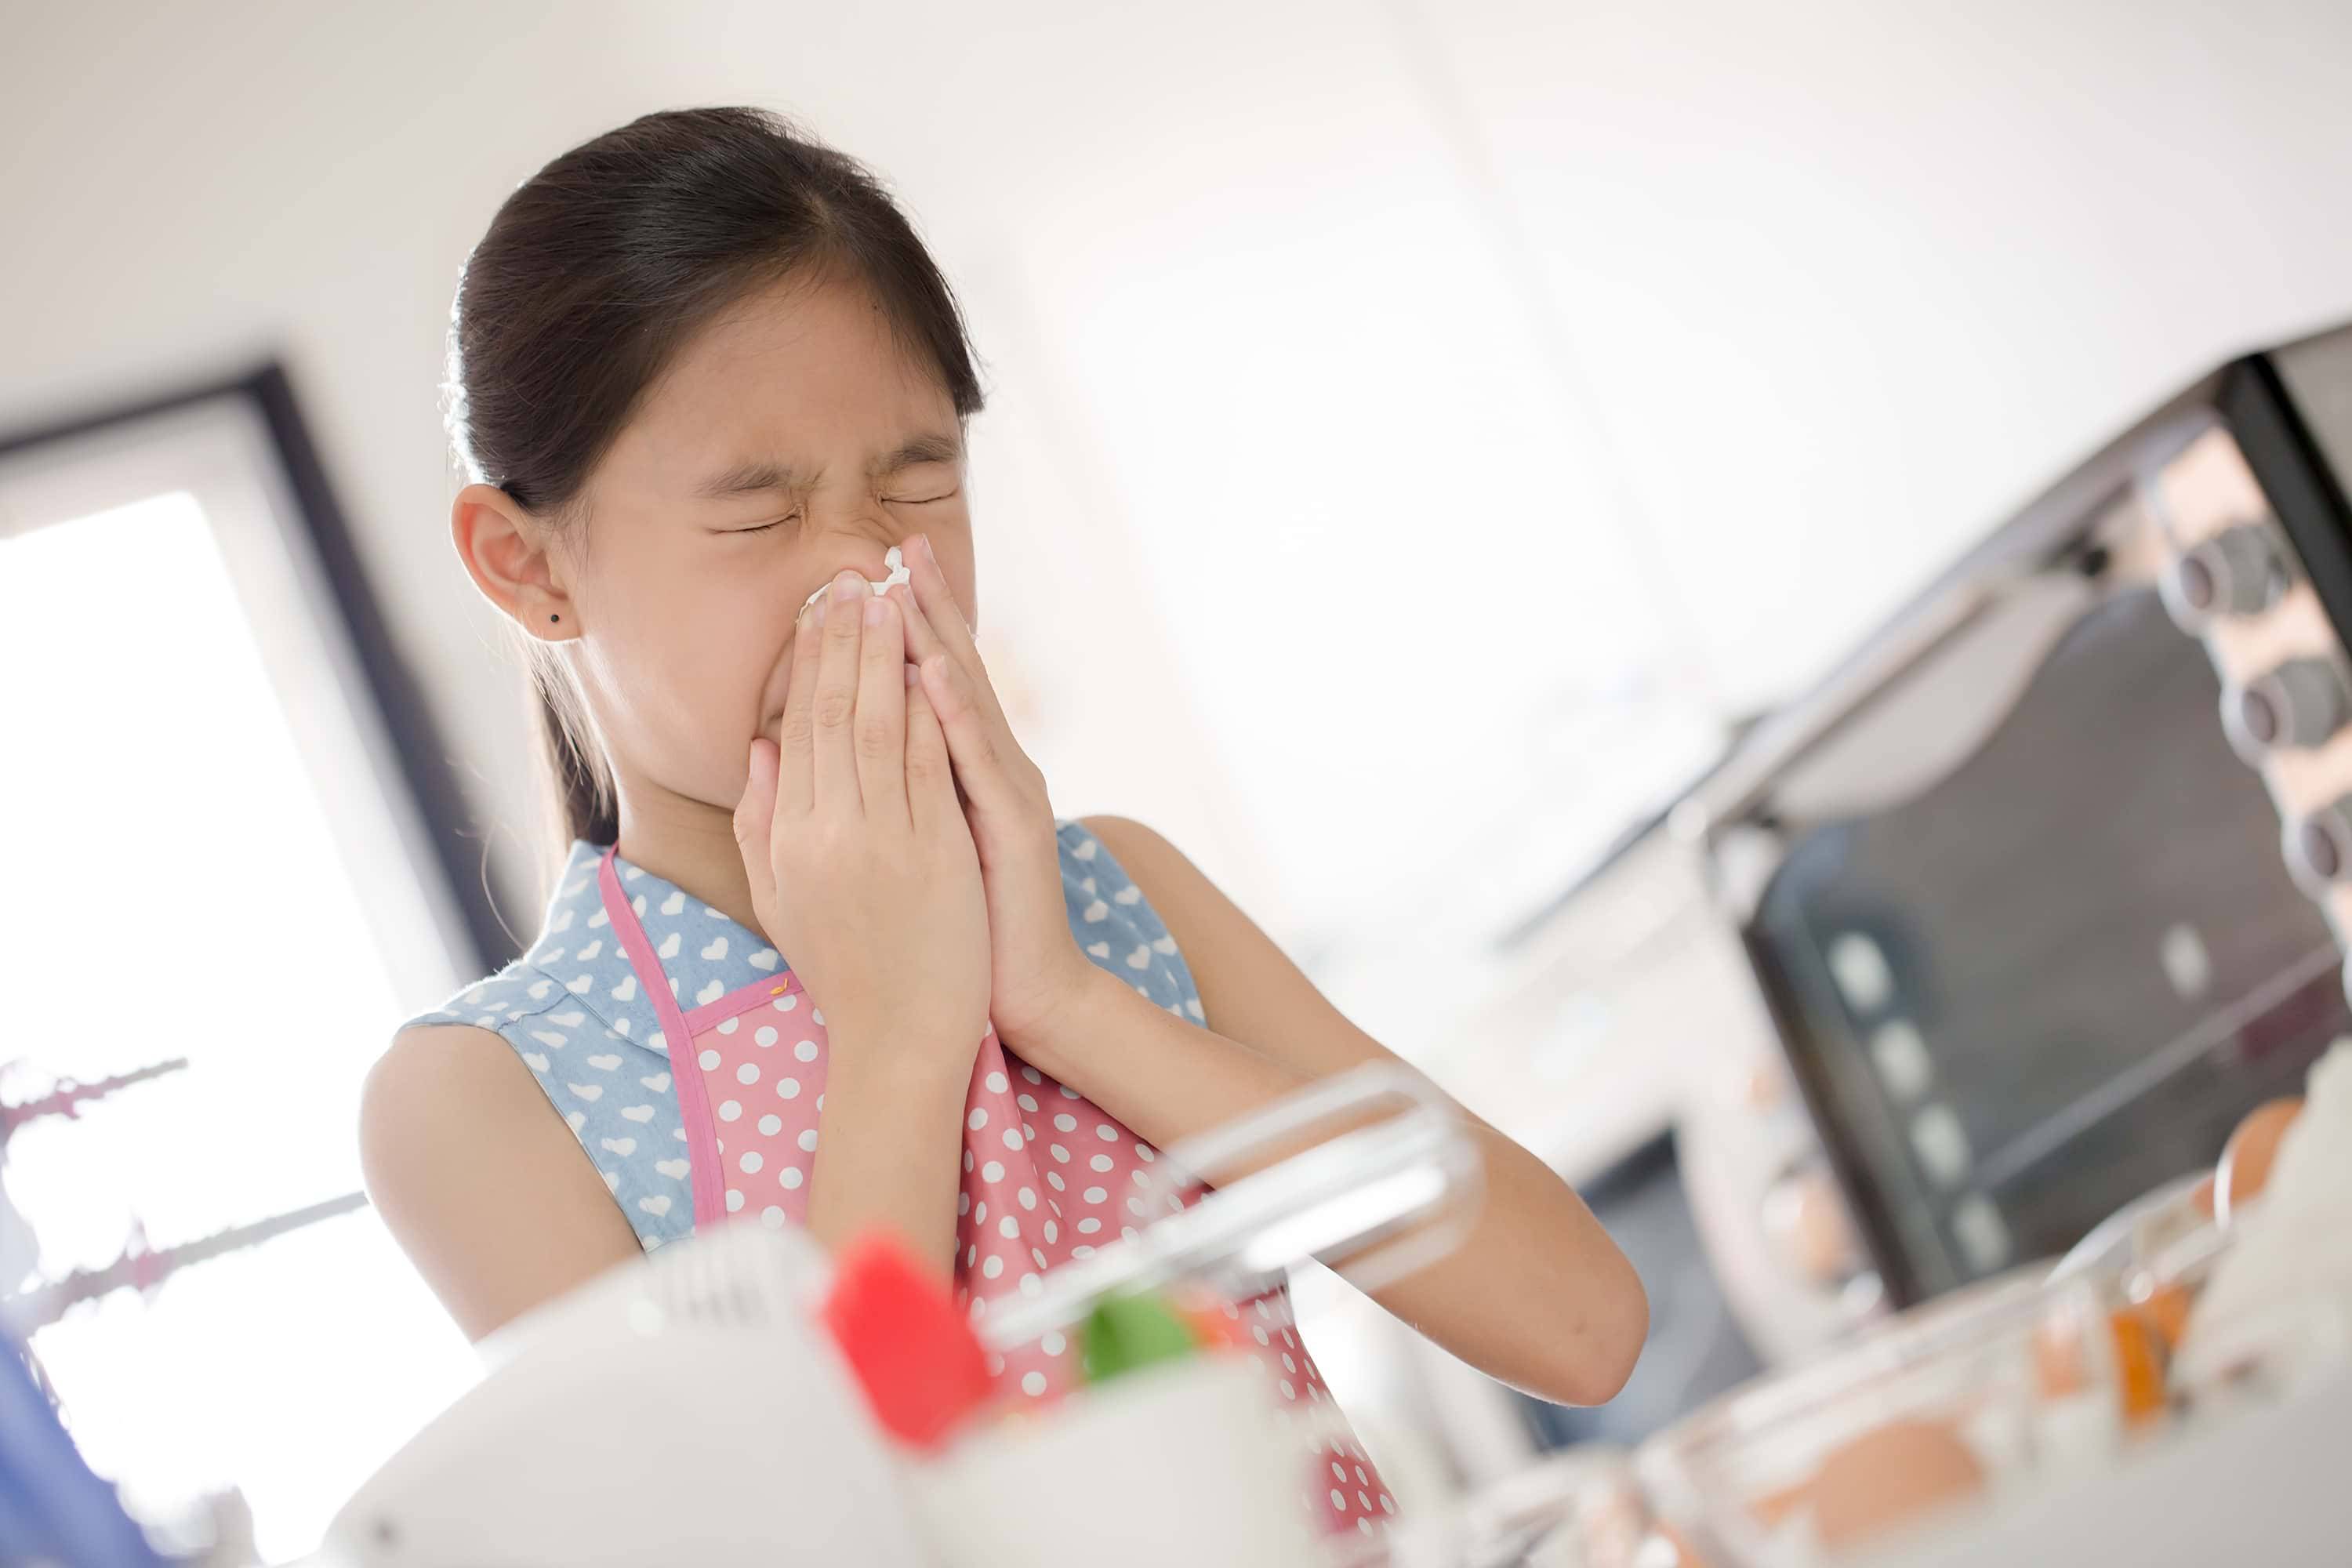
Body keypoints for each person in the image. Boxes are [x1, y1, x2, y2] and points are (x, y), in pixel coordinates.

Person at [361, 104, 1647, 1541]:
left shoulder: (1120, 892)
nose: (865, 567)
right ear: (526, 566)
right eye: (757, 514)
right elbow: (811, 1534)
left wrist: (1063, 997)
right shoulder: (485, 1102)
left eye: (917, 480)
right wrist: (902, 1034)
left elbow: (1583, 1325)